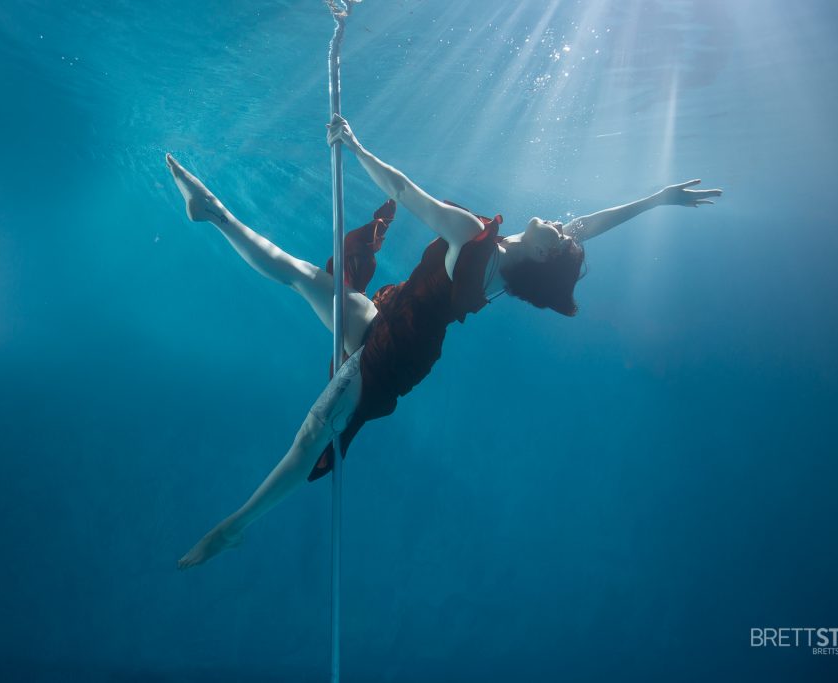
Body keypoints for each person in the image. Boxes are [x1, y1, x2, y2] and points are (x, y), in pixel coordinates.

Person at [167, 114, 721, 569]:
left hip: (399, 350)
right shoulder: (516, 253)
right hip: (393, 314)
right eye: (561, 228)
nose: (561, 224)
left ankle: (231, 530)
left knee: (314, 432)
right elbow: (592, 226)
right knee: (306, 276)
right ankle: (212, 212)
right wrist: (658, 200)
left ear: (546, 254)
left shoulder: (477, 239)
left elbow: (405, 190)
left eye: (558, 234)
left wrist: (353, 143)